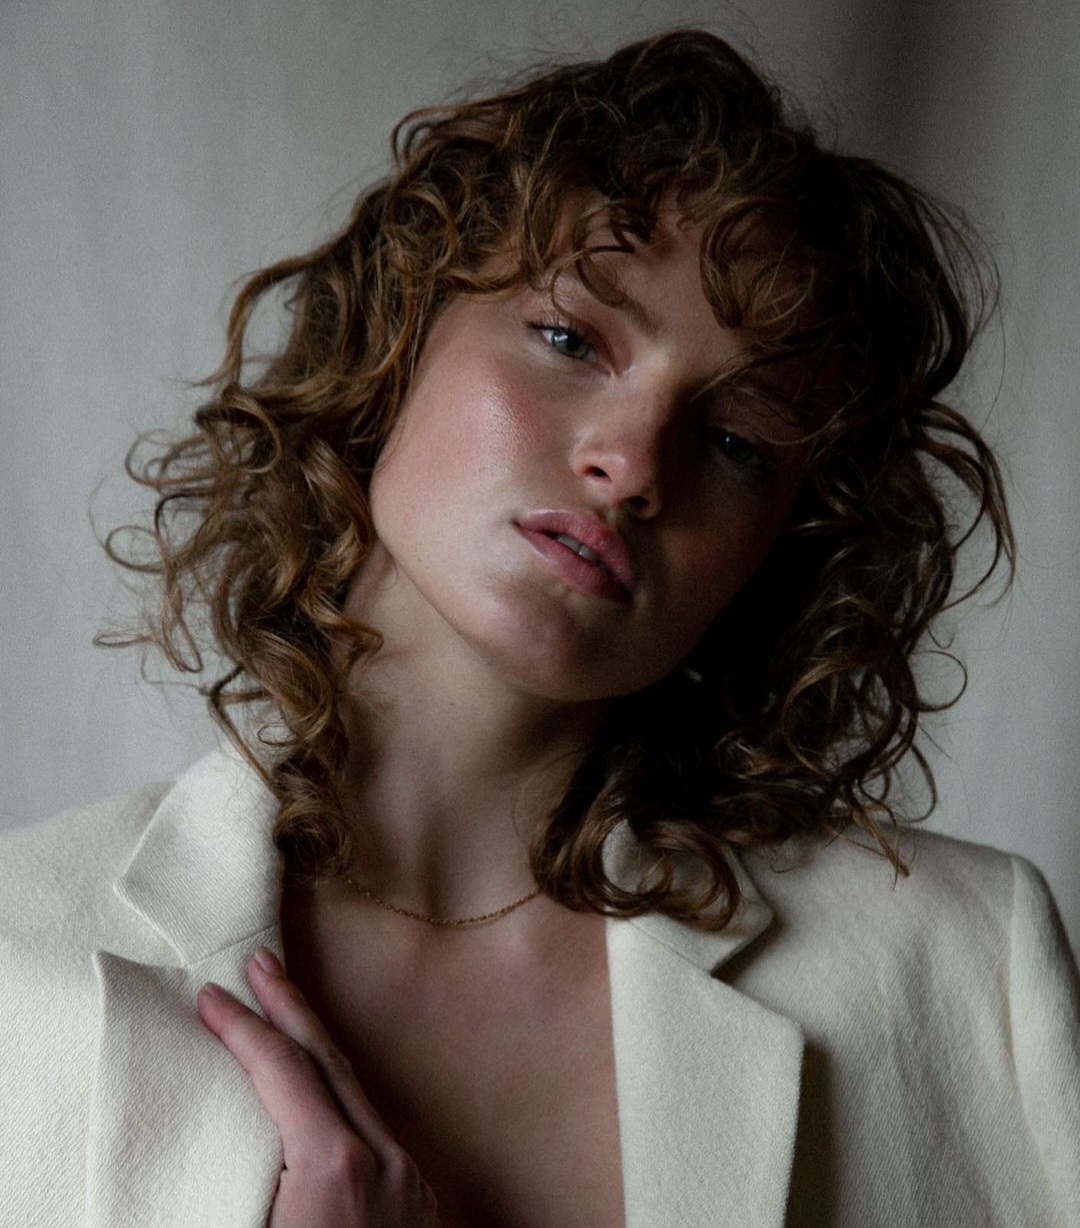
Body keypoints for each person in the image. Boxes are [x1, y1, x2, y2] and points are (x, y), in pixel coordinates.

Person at [1, 27, 1077, 1228]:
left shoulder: (964, 970)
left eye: (736, 441)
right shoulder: (19, 960)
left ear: (778, 550)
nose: (632, 463)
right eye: (570, 340)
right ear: (398, 337)